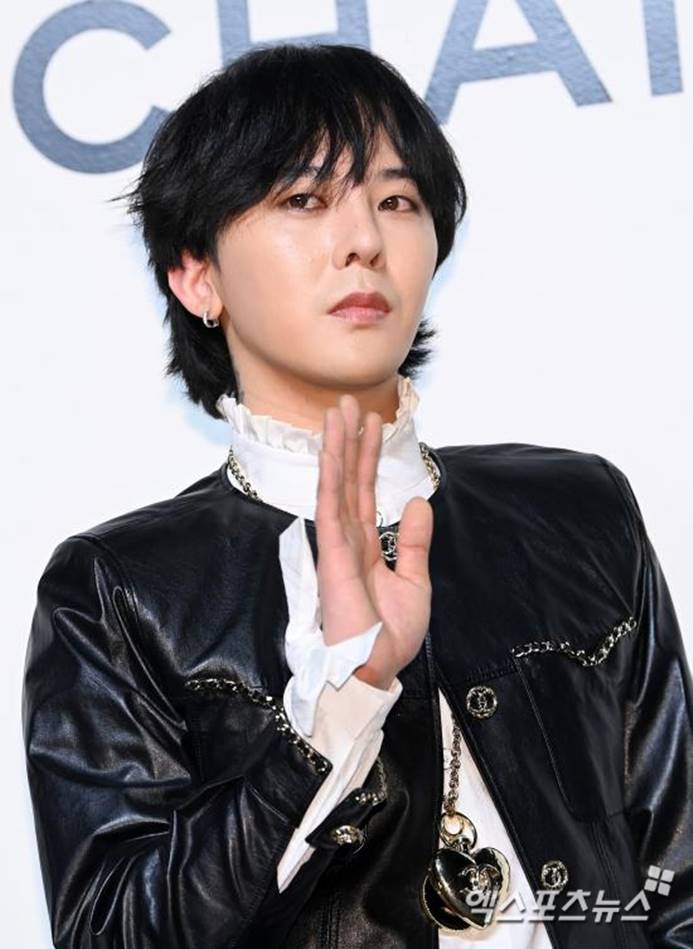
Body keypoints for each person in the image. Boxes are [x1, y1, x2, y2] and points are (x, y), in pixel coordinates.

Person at [22, 42, 692, 949]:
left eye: (396, 200)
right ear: (197, 276)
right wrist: (338, 705)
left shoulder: (575, 509)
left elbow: (677, 880)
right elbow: (113, 933)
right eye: (303, 200)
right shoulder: (121, 587)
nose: (364, 240)